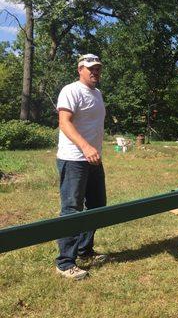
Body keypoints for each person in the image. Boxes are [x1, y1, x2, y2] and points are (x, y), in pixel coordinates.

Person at [55, 54, 107, 280]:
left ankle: (85, 251)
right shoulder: (71, 90)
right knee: (72, 209)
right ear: (80, 69)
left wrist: (92, 151)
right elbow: (64, 122)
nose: (95, 72)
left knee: (97, 205)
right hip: (74, 158)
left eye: (97, 69)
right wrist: (86, 147)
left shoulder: (97, 94)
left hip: (93, 159)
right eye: (90, 69)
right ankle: (65, 262)